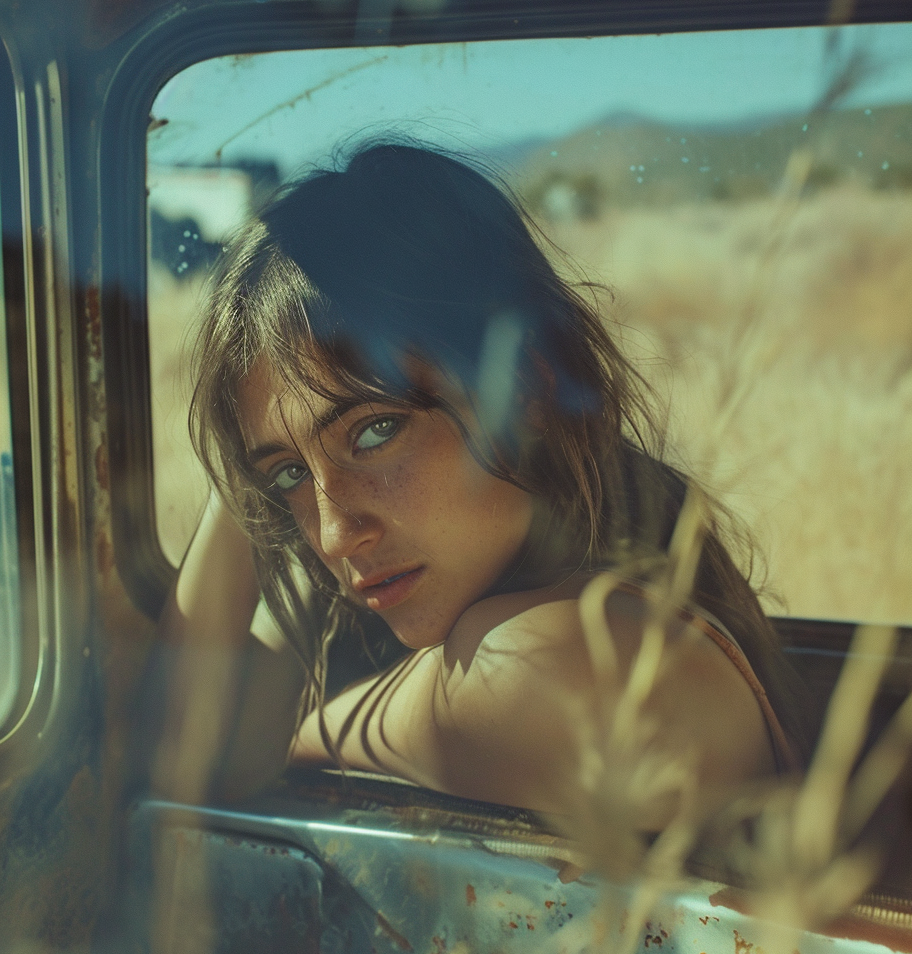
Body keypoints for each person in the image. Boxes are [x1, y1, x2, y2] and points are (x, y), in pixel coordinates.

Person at [156, 141, 808, 821]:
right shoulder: (433, 587)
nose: (335, 534)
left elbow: (218, 761)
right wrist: (251, 458)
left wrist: (305, 737)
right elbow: (186, 753)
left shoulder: (569, 661)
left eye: (376, 431)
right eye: (289, 475)